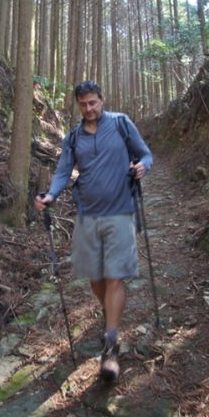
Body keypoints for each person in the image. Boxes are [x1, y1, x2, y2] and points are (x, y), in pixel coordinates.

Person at [34, 80, 153, 381]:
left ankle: (111, 343)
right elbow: (63, 171)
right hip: (87, 215)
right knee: (96, 279)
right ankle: (111, 315)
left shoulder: (122, 124)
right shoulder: (73, 138)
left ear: (102, 99)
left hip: (120, 211)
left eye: (93, 103)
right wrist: (51, 194)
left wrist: (142, 167)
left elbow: (146, 155)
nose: (89, 109)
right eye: (83, 104)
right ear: (78, 104)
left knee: (114, 277)